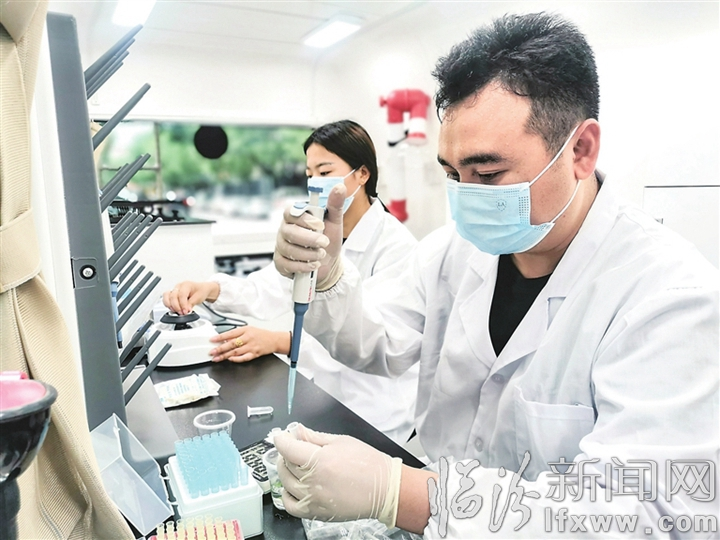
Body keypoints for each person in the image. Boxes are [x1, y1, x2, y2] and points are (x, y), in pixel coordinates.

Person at [271, 12, 719, 537]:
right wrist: (327, 275)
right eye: (452, 174)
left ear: (580, 150)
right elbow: (379, 342)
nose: (465, 198)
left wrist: (401, 494)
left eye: (487, 174)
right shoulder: (453, 251)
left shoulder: (669, 297)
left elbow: (643, 516)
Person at [163, 120, 419, 445]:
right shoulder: (319, 228)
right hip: (325, 392)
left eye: (325, 172)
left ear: (363, 174)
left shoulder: (396, 246)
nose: (315, 183)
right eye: (310, 174)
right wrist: (211, 289)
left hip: (375, 407)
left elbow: (369, 342)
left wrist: (281, 341)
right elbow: (274, 284)